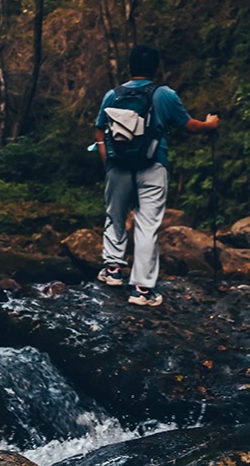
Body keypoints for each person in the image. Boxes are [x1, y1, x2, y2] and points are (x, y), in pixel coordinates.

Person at [94, 45, 219, 306]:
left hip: (117, 167)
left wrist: (109, 162)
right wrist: (210, 125)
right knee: (147, 225)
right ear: (155, 68)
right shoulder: (164, 95)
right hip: (153, 165)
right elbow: (190, 126)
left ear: (129, 68)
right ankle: (141, 290)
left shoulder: (112, 95)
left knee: (115, 216)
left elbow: (99, 131)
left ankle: (113, 270)